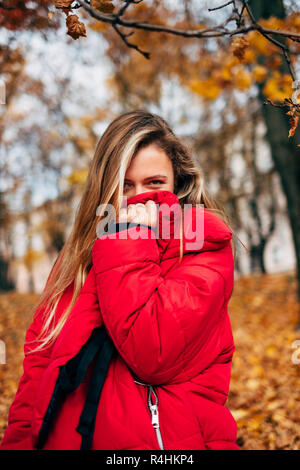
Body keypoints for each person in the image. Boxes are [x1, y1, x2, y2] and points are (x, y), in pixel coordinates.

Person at [0, 109, 241, 450]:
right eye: (125, 186)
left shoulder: (202, 246)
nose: (140, 199)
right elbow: (40, 371)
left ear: (178, 186)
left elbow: (152, 353)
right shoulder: (76, 260)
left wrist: (130, 235)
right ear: (105, 189)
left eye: (155, 184)